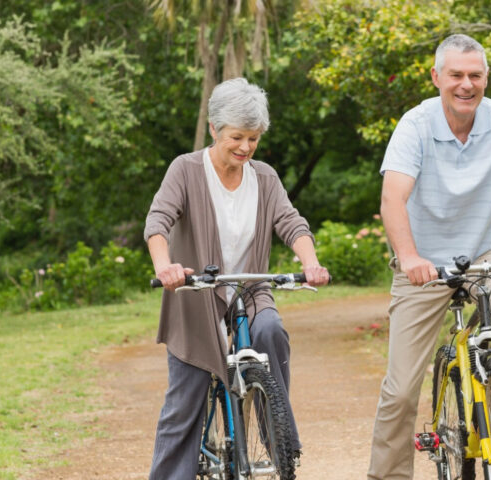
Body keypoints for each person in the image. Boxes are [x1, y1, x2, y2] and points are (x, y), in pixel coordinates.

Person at [368, 34, 491, 479]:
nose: (466, 84)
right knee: (401, 391)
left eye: (475, 75)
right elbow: (392, 199)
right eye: (456, 75)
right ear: (436, 76)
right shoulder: (415, 125)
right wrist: (409, 257)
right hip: (422, 265)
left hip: (482, 254)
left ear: (486, 78)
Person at [144, 77, 329, 479]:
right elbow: (158, 220)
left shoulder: (263, 177)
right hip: (196, 293)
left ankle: (280, 438)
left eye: (254, 138)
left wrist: (310, 262)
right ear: (214, 129)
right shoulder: (186, 169)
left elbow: (291, 222)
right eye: (236, 137)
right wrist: (165, 266)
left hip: (249, 287)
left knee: (271, 333)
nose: (245, 147)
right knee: (186, 401)